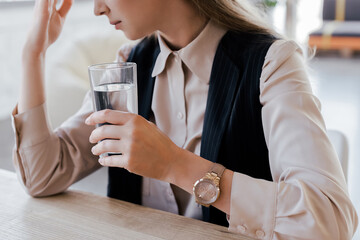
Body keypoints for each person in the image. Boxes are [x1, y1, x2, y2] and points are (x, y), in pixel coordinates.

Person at [12, 0, 358, 239]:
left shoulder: (272, 64)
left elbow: (330, 222)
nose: (98, 8)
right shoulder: (128, 65)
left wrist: (176, 165)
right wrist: (33, 53)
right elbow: (43, 175)